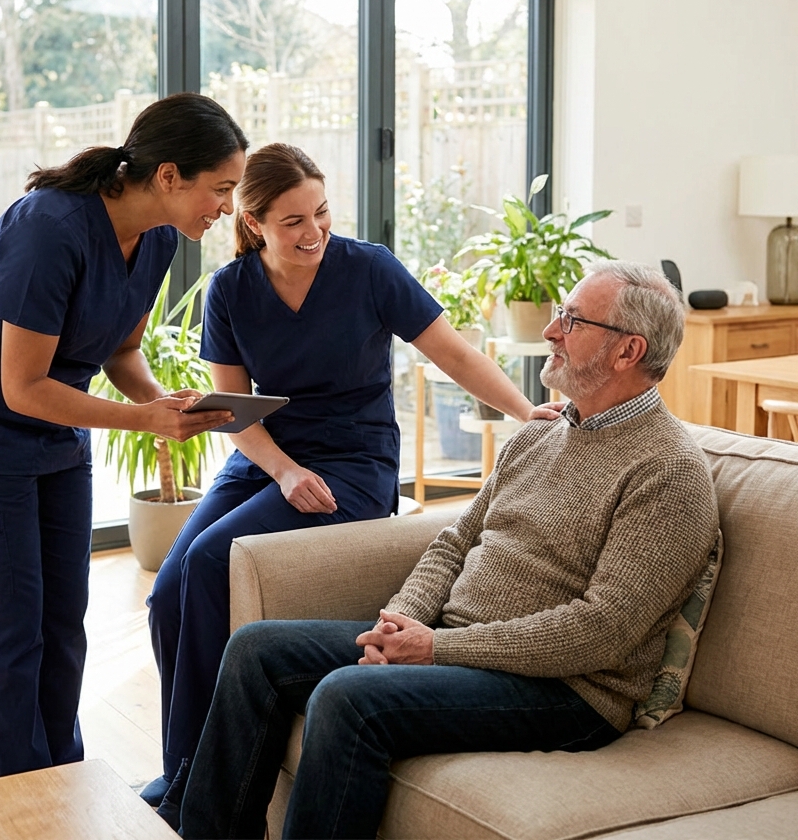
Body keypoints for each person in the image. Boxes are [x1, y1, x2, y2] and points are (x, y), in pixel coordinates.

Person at [179, 260, 720, 840]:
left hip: (570, 691)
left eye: (572, 319)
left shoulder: (668, 471)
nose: (550, 332)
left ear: (627, 351)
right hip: (461, 644)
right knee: (255, 649)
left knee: (347, 698)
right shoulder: (541, 434)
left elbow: (603, 630)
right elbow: (456, 542)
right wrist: (404, 618)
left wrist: (437, 647)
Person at [144, 143, 562, 826]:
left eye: (321, 213)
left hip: (354, 462)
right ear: (252, 224)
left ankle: (196, 797)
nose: (312, 233)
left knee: (212, 562)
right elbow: (232, 411)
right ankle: (181, 770)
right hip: (267, 458)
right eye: (291, 222)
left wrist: (525, 412)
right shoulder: (231, 290)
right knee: (168, 591)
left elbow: (451, 350)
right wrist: (282, 468)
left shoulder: (368, 270)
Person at [0, 93, 248, 780]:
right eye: (221, 190)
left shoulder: (154, 241)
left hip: (56, 433)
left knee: (61, 626)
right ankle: (17, 803)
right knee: (5, 635)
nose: (226, 209)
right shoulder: (49, 227)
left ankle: (60, 783)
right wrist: (145, 420)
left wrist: (165, 403)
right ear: (170, 176)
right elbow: (21, 386)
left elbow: (121, 351)